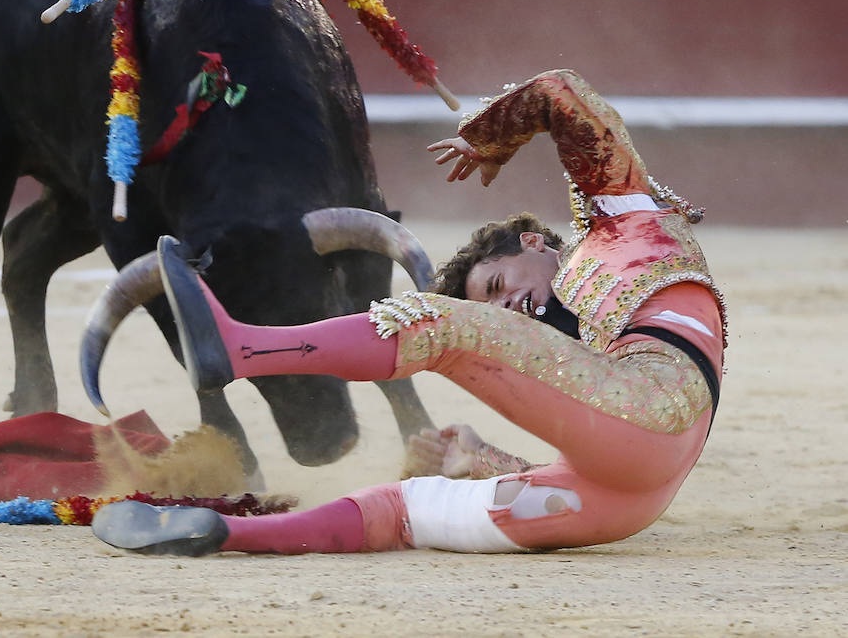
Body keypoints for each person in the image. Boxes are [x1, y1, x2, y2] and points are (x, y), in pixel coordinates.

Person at [89, 69, 726, 556]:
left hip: (657, 406)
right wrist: (481, 460)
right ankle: (224, 534)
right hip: (631, 495)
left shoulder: (622, 211)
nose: (511, 310)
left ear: (536, 241)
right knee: (407, 508)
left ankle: (241, 348)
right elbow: (610, 445)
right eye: (498, 304)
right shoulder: (587, 358)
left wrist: (487, 143)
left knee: (442, 327)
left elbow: (560, 92)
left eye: (500, 284)